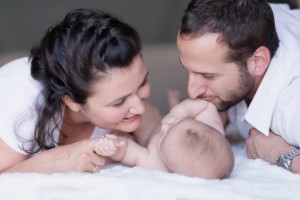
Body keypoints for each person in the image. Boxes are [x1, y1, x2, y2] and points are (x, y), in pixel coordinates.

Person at [0, 8, 162, 173]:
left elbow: (160, 139)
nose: (140, 107)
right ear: (71, 100)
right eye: (119, 102)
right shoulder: (22, 101)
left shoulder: (130, 106)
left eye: (142, 83)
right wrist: (54, 162)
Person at [177, 0, 300, 173]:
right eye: (188, 70)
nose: (192, 91)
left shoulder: (292, 105)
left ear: (258, 62)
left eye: (208, 76)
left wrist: (281, 155)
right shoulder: (249, 17)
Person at [94, 97, 234, 179]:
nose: (164, 128)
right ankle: (176, 104)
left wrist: (115, 147)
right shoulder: (211, 129)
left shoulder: (156, 163)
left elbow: (130, 152)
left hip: (146, 131)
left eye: (163, 138)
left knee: (138, 123)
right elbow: (205, 106)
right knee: (144, 108)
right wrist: (178, 113)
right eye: (177, 124)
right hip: (156, 116)